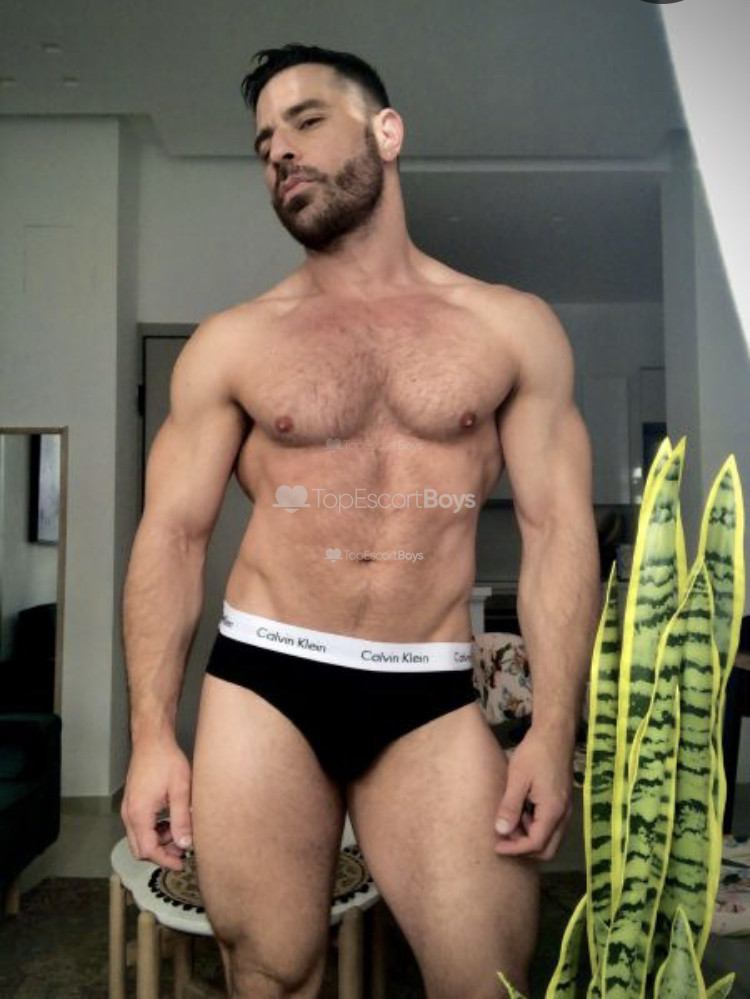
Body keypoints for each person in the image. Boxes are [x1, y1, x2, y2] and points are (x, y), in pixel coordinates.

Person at [120, 43, 601, 999]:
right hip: (265, 680)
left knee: (488, 978)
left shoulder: (510, 328)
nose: (280, 152)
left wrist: (553, 728)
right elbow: (171, 537)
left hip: (429, 691)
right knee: (272, 972)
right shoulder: (232, 343)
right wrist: (150, 736)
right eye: (264, 142)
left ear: (386, 132)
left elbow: (557, 530)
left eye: (305, 122)